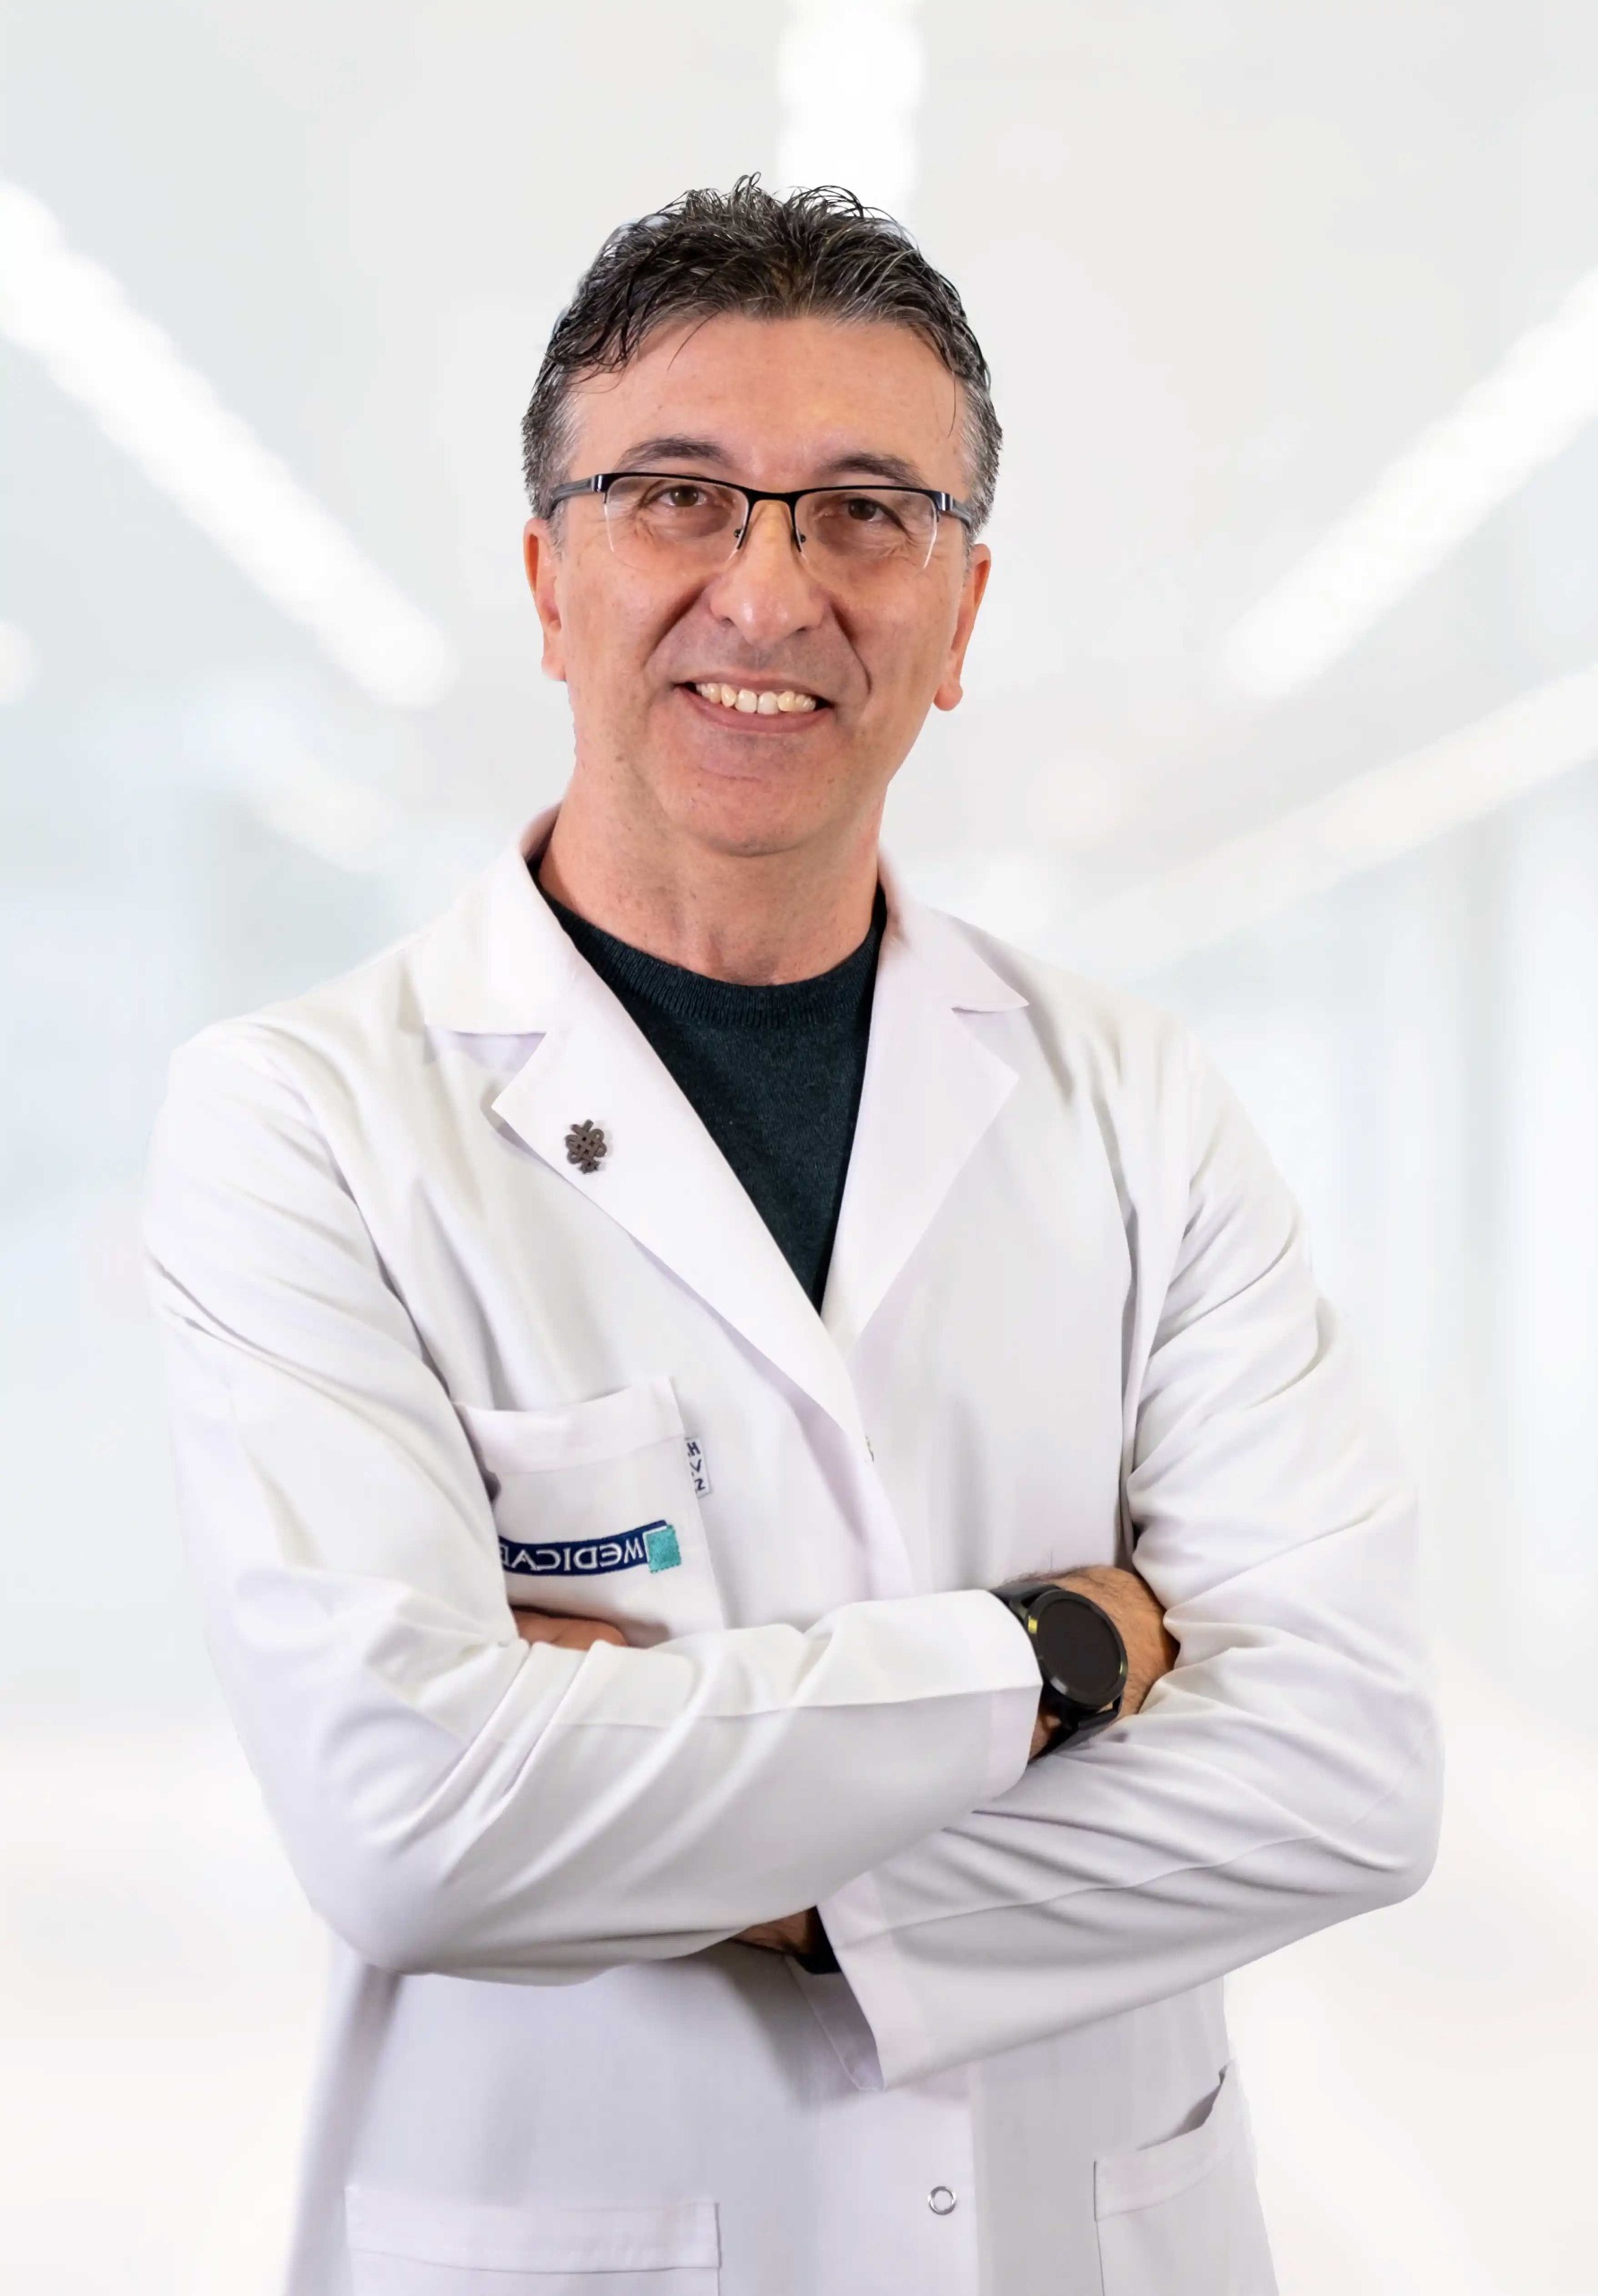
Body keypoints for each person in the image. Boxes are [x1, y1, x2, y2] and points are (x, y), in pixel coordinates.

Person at [143, 179, 1441, 2296]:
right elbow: (412, 1820)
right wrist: (1057, 1653)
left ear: (961, 607)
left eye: (864, 512)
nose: (767, 590)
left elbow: (1344, 1770)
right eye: (677, 496)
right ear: (550, 575)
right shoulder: (306, 1119)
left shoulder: (1137, 1102)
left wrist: (732, 1841)